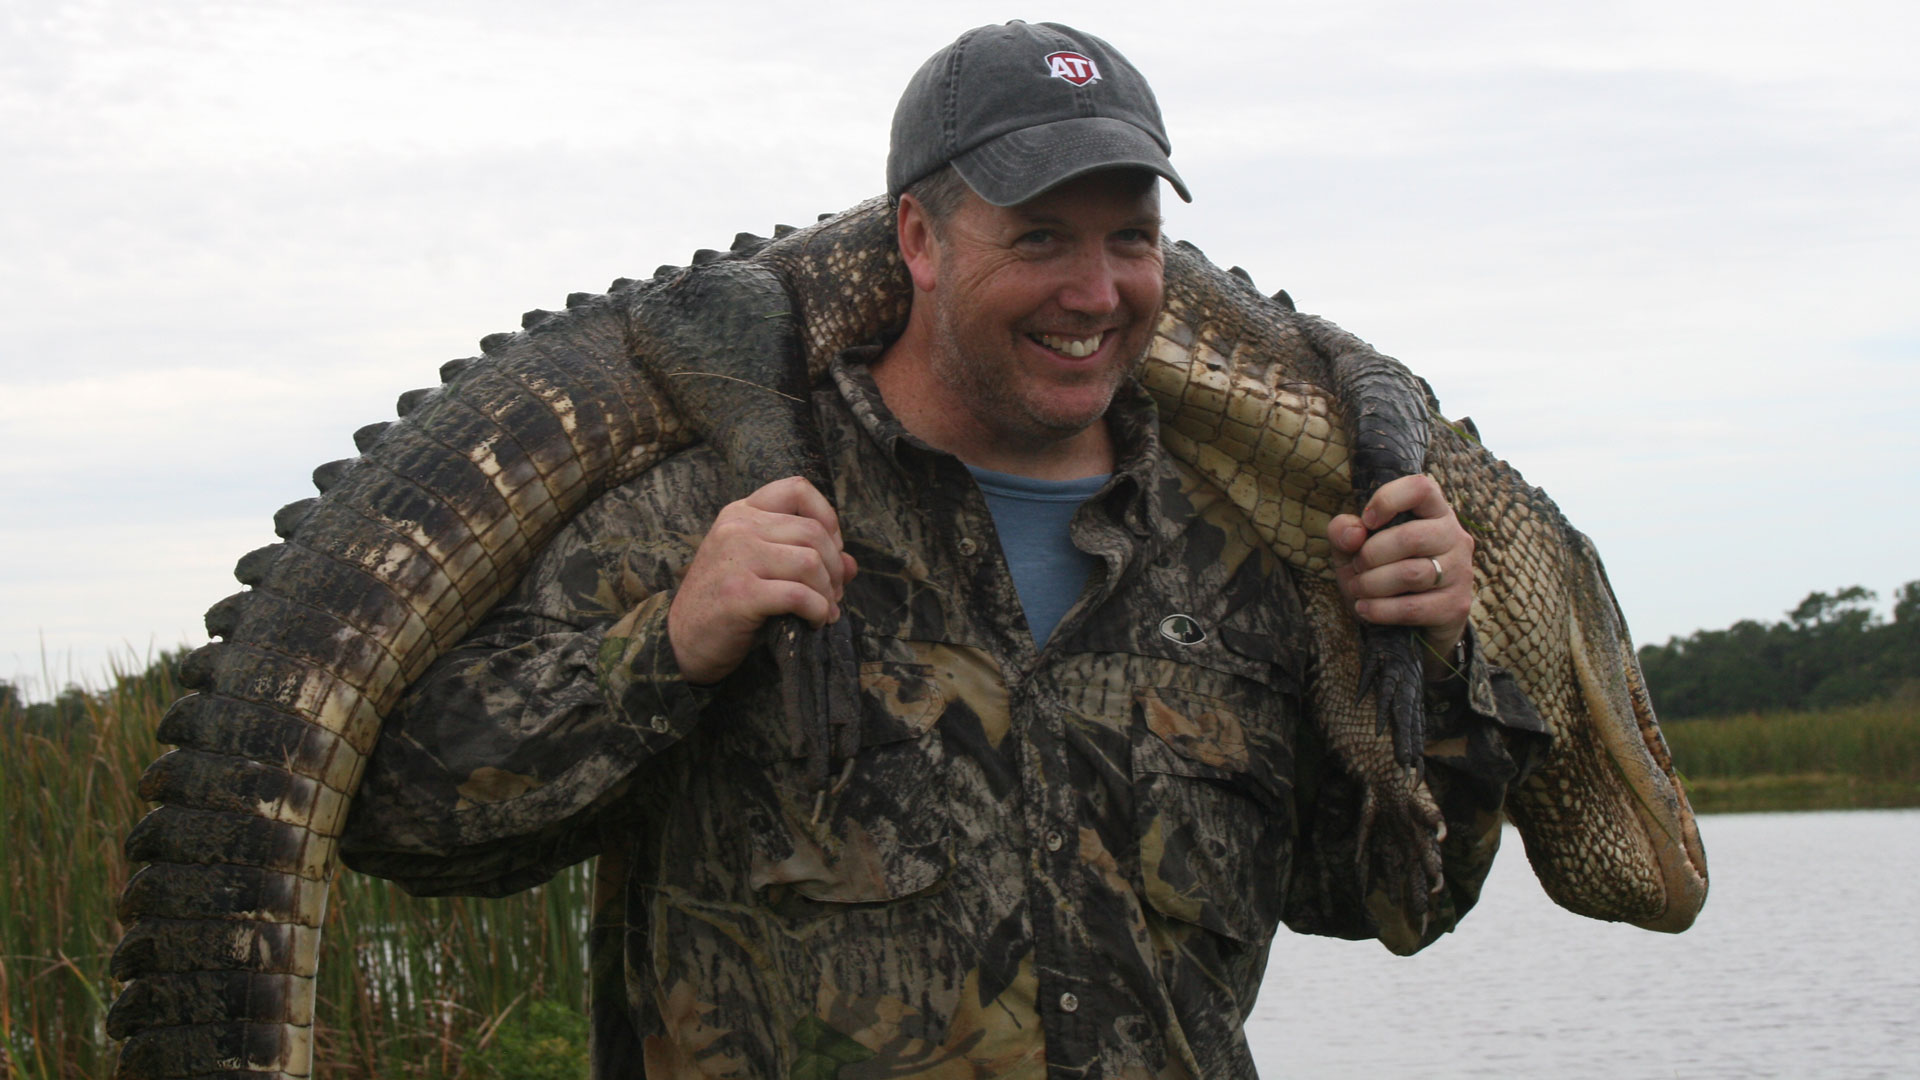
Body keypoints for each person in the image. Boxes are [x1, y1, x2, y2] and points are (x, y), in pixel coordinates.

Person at [341, 20, 1547, 1078]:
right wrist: (669, 647)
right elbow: (404, 819)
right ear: (919, 238)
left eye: (1130, 239)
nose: (1096, 289)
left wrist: (1436, 667)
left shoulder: (1238, 548)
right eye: (1038, 240)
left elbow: (1390, 897)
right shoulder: (712, 511)